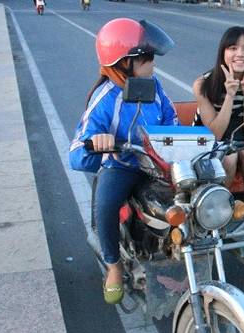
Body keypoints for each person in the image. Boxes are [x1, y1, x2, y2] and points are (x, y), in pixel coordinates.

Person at [69, 18, 178, 304]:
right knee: (105, 206)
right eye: (147, 57)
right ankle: (114, 265)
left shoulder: (154, 86)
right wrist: (98, 142)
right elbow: (77, 150)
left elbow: (171, 118)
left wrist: (173, 139)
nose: (153, 63)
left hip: (158, 165)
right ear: (125, 62)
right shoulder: (105, 98)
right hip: (123, 166)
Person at [193, 26, 244, 216]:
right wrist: (230, 95)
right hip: (210, 141)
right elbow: (216, 134)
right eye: (233, 48)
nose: (240, 54)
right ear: (223, 53)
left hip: (242, 138)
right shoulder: (203, 84)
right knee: (228, 157)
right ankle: (220, 204)